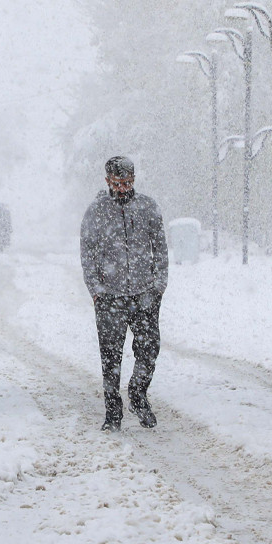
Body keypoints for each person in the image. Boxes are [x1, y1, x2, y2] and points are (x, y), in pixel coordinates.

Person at [80, 156, 168, 431]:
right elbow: (88, 254)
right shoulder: (96, 212)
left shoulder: (147, 207)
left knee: (148, 349)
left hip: (144, 294)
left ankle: (138, 394)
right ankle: (113, 411)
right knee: (110, 357)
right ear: (108, 181)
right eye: (118, 183)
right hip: (109, 297)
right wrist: (97, 291)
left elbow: (161, 249)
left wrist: (159, 285)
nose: (123, 188)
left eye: (128, 182)